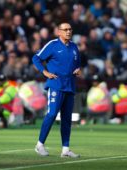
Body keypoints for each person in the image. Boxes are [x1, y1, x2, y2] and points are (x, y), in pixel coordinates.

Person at [32, 23, 81, 157]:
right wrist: (44, 72)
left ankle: (65, 149)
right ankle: (39, 145)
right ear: (59, 32)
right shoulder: (52, 45)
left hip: (70, 86)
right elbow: (36, 58)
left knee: (66, 119)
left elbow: (77, 63)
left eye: (70, 29)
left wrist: (78, 70)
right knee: (52, 114)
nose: (68, 32)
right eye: (65, 29)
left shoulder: (74, 47)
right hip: (56, 85)